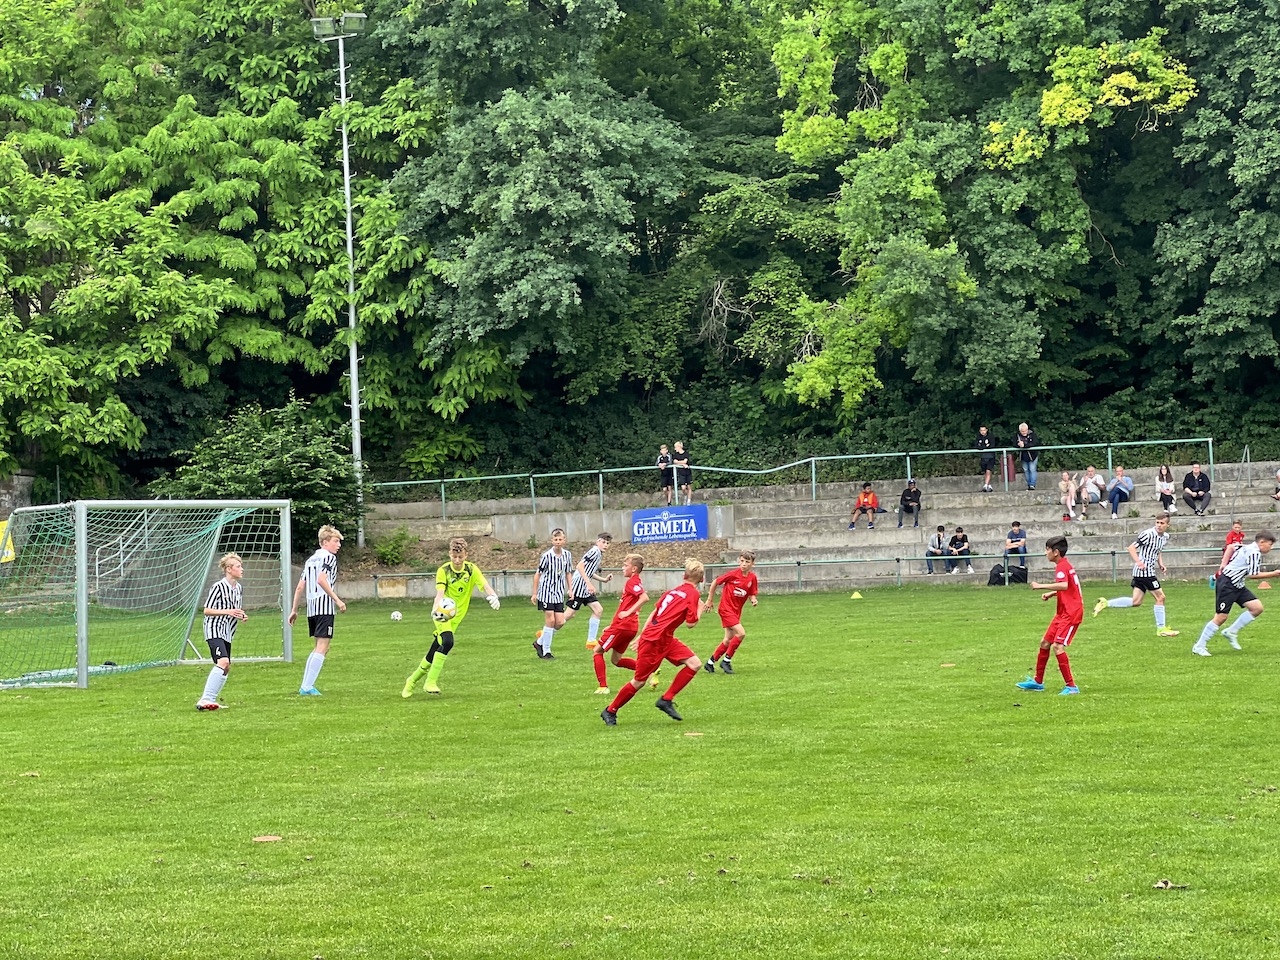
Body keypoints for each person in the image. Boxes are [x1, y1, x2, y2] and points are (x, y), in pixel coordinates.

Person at [601, 559, 705, 726]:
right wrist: (701, 608)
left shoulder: (672, 592)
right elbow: (690, 624)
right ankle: (610, 710)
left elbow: (654, 613)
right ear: (702, 579)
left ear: (684, 575)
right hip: (654, 640)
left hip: (665, 638)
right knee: (639, 681)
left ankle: (666, 699)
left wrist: (642, 635)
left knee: (694, 664)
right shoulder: (693, 594)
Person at [401, 538, 500, 697]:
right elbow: (440, 593)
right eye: (454, 557)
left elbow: (485, 585)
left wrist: (493, 596)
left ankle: (411, 680)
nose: (457, 560)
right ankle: (430, 682)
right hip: (442, 614)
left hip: (456, 618)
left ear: (466, 555)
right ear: (449, 554)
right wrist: (435, 608)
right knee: (448, 642)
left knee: (435, 650)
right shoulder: (444, 570)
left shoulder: (471, 570)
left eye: (460, 557)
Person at [1092, 512, 1180, 637]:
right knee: (1160, 598)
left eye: (1162, 523)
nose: (1159, 525)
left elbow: (1158, 550)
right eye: (1157, 522)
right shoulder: (1148, 534)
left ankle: (1105, 603)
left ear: (1168, 525)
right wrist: (1139, 562)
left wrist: (1160, 563)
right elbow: (1131, 548)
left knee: (1136, 602)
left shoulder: (1165, 537)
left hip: (1143, 572)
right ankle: (1161, 629)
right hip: (1145, 572)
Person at [1193, 531, 1280, 656]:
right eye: (1270, 545)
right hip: (1227, 584)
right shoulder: (1254, 552)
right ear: (1262, 542)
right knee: (1221, 617)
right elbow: (1253, 574)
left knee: (1257, 608)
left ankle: (1231, 632)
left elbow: (1230, 547)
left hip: (1237, 584)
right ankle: (1199, 646)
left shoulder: (1246, 546)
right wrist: (1275, 573)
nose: (1270, 548)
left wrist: (1223, 565)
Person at [1015, 536, 1083, 695]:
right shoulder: (1064, 565)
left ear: (1056, 552)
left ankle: (1072, 686)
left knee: (1057, 646)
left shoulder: (1062, 566)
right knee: (1045, 643)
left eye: (1047, 550)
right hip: (1062, 612)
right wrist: (1052, 594)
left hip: (1071, 613)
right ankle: (1038, 682)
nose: (1045, 553)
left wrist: (1040, 586)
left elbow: (1064, 585)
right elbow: (1070, 588)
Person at [288, 525, 346, 696]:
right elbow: (322, 580)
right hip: (324, 607)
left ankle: (306, 685)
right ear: (325, 542)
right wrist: (337, 600)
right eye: (336, 541)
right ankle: (307, 686)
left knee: (320, 647)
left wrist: (294, 609)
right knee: (322, 647)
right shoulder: (329, 558)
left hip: (312, 608)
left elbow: (300, 587)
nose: (338, 545)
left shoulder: (311, 560)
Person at [590, 553, 654, 695]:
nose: (622, 568)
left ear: (634, 569)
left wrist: (628, 613)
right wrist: (612, 625)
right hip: (629, 627)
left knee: (597, 651)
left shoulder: (632, 582)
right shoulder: (636, 582)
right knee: (616, 660)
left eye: (625, 565)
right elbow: (627, 605)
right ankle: (650, 671)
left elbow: (644, 598)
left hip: (623, 625)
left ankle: (603, 687)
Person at [196, 552, 247, 711]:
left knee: (226, 666)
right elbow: (207, 610)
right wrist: (228, 612)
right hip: (214, 629)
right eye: (238, 566)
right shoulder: (218, 587)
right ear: (229, 569)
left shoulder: (239, 588)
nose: (242, 569)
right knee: (223, 662)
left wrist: (241, 614)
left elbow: (234, 609)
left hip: (227, 632)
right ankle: (205, 699)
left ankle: (211, 700)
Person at [703, 551, 760, 674]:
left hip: (736, 611)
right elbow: (715, 582)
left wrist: (753, 599)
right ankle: (726, 661)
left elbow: (751, 592)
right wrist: (709, 600)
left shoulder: (752, 578)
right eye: (742, 561)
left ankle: (710, 663)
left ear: (752, 564)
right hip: (726, 609)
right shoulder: (733, 574)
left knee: (728, 640)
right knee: (741, 633)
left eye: (747, 562)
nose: (744, 564)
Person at [562, 533, 614, 651]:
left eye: (607, 543)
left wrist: (604, 580)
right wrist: (588, 583)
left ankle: (591, 641)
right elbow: (580, 566)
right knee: (569, 614)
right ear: (597, 541)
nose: (605, 545)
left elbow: (589, 571)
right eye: (603, 542)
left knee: (598, 610)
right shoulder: (594, 551)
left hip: (585, 587)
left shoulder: (598, 553)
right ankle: (545, 634)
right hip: (579, 586)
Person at [531, 528, 573, 660]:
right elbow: (538, 574)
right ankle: (546, 651)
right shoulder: (547, 556)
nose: (558, 542)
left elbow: (568, 573)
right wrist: (535, 593)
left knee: (560, 622)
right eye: (556, 539)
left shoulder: (567, 555)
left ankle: (539, 642)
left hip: (558, 593)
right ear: (552, 541)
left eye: (560, 539)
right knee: (550, 620)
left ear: (564, 540)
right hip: (546, 592)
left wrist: (571, 589)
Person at [1013, 422, 1038, 490]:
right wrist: (1018, 444)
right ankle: (1029, 484)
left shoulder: (1032, 434)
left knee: (1032, 469)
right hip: (1023, 456)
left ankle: (1032, 485)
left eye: (1025, 431)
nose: (1024, 432)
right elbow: (1014, 444)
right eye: (1022, 431)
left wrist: (1024, 445)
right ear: (1020, 431)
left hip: (1032, 456)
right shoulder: (1017, 435)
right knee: (1026, 470)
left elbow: (1035, 443)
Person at [976, 425, 997, 492]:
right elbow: (977, 446)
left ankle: (985, 486)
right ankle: (989, 485)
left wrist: (983, 446)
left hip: (991, 456)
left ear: (986, 430)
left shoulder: (990, 436)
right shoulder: (978, 437)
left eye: (984, 430)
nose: (983, 432)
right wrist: (984, 446)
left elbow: (991, 445)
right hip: (983, 457)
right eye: (981, 430)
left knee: (988, 470)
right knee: (986, 471)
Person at [672, 441, 692, 506]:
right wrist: (683, 464)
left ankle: (689, 501)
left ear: (679, 447)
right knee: (683, 487)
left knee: (689, 487)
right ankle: (686, 496)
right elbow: (675, 461)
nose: (675, 449)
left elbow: (685, 461)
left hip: (687, 472)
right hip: (681, 473)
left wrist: (680, 462)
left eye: (675, 447)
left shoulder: (686, 453)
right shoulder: (675, 454)